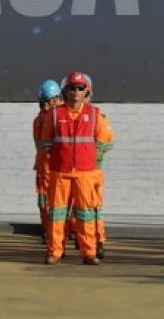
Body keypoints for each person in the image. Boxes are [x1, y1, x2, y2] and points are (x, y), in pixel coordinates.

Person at [42, 72, 114, 265]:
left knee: (86, 215)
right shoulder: (54, 114)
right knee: (57, 215)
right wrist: (61, 157)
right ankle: (55, 251)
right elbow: (46, 143)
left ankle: (88, 252)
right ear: (65, 91)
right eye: (72, 88)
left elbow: (105, 142)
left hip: (85, 173)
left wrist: (88, 157)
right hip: (60, 172)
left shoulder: (95, 114)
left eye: (80, 88)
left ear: (86, 91)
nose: (75, 91)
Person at [33, 79, 62, 243]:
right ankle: (48, 229)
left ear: (57, 99)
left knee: (60, 201)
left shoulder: (61, 117)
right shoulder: (38, 121)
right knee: (43, 200)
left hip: (57, 167)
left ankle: (64, 230)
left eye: (48, 101)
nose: (45, 105)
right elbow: (39, 146)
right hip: (42, 168)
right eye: (42, 102)